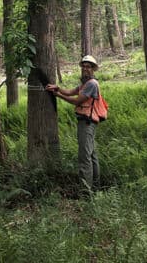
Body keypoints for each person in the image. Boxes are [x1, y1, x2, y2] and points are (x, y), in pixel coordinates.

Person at [46, 55, 101, 192]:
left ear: (93, 69)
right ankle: (95, 186)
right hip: (87, 122)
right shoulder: (85, 83)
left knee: (84, 156)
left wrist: (58, 96)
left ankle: (85, 190)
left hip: (87, 123)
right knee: (91, 155)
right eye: (83, 66)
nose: (85, 69)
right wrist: (58, 88)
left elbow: (77, 101)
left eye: (88, 67)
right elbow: (70, 92)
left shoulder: (92, 84)